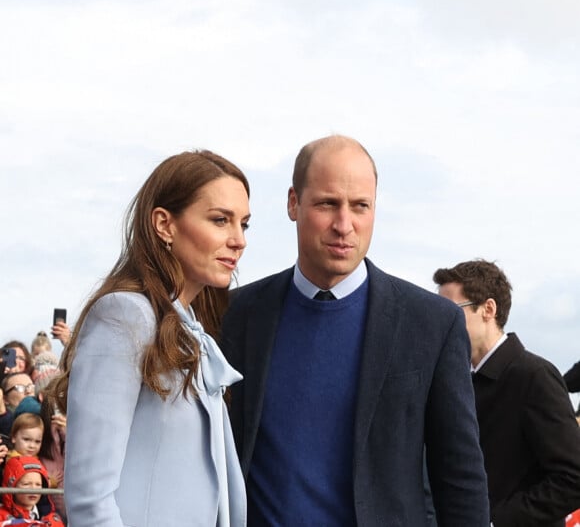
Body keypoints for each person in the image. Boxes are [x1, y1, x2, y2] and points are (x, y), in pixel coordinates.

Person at [221, 135, 489, 526]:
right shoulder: (234, 314)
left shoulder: (431, 324)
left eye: (360, 206)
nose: (344, 225)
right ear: (294, 203)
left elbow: (461, 478)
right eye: (328, 203)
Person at [50, 149, 250, 527]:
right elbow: (91, 498)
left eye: (244, 224)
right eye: (220, 220)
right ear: (164, 224)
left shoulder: (193, 328)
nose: (238, 239)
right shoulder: (125, 314)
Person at [433, 259, 580, 527]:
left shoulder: (534, 376)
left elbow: (574, 478)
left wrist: (493, 521)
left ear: (488, 309)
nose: (439, 323)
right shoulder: (459, 379)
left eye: (450, 312)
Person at [0, 455, 64, 525]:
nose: (34, 489)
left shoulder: (53, 519)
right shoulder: (2, 518)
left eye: (38, 484)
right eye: (26, 484)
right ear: (11, 486)